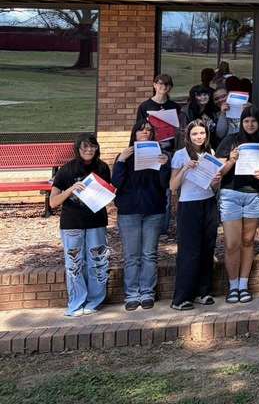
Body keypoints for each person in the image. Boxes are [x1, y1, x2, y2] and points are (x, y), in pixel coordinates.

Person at [214, 106, 259, 303]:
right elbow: (218, 172)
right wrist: (231, 161)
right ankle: (232, 286)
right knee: (232, 244)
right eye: (246, 121)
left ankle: (243, 284)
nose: (250, 124)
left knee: (248, 242)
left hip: (254, 195)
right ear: (241, 122)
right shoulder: (231, 140)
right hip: (231, 194)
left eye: (253, 121)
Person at [49, 133, 112, 317]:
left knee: (98, 262)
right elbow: (53, 202)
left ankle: (95, 301)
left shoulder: (102, 167)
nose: (89, 150)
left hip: (96, 222)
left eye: (92, 146)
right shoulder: (66, 170)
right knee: (74, 264)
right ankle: (76, 302)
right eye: (84, 147)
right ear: (77, 149)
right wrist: (70, 190)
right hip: (72, 224)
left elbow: (107, 193)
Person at [112, 122, 171, 310]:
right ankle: (131, 295)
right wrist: (121, 161)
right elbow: (116, 184)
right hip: (129, 212)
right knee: (131, 255)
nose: (145, 132)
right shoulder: (124, 157)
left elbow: (165, 185)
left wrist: (164, 166)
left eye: (149, 131)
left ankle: (147, 292)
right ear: (134, 134)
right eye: (141, 130)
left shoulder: (161, 156)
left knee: (149, 254)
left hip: (153, 211)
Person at [170, 119, 221, 311]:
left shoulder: (211, 154)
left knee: (207, 248)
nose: (199, 137)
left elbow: (213, 185)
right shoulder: (180, 155)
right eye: (195, 134)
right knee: (189, 251)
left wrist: (217, 180)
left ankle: (203, 292)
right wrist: (184, 169)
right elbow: (172, 186)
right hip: (188, 205)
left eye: (202, 133)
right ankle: (181, 298)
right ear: (188, 136)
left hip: (208, 203)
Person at [134, 73, 182, 142]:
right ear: (154, 85)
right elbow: (139, 129)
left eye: (167, 84)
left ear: (171, 87)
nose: (164, 86)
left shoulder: (175, 107)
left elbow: (180, 128)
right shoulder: (144, 106)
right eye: (161, 83)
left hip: (171, 145)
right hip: (152, 144)